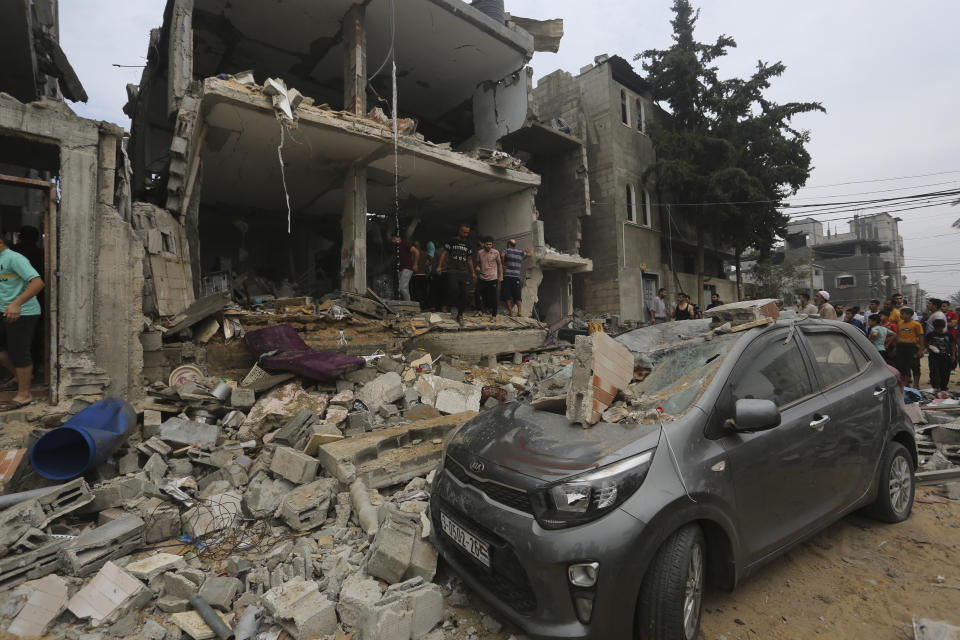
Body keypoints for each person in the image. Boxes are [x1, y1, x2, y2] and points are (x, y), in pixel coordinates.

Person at [0, 232, 44, 410]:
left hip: (24, 312)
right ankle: (19, 376)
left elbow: (38, 283)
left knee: (20, 352)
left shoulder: (15, 258)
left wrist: (17, 304)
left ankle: (24, 395)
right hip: (4, 311)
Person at [500, 239, 531, 317]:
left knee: (507, 294)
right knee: (517, 294)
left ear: (508, 244)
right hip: (516, 276)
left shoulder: (506, 250)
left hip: (507, 276)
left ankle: (510, 312)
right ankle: (519, 312)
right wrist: (527, 252)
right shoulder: (520, 252)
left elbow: (502, 255)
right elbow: (530, 254)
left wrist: (503, 264)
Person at [894, 307, 924, 387]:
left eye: (906, 314)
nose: (904, 316)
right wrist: (896, 347)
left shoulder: (916, 324)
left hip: (912, 347)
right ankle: (906, 383)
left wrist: (921, 349)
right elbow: (897, 335)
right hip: (901, 346)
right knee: (902, 366)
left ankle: (916, 384)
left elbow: (921, 336)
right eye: (902, 314)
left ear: (911, 315)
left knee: (915, 366)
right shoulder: (899, 323)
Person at [926, 318, 957, 391]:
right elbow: (927, 343)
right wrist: (930, 347)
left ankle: (943, 387)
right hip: (933, 357)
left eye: (940, 328)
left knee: (945, 372)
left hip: (946, 357)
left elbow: (953, 345)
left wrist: (953, 355)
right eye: (937, 328)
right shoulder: (931, 334)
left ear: (943, 327)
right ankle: (936, 387)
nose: (938, 330)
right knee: (934, 372)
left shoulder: (948, 335)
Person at [475, 236, 502, 316]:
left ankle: (494, 315)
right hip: (482, 277)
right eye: (487, 244)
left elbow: (500, 264)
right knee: (477, 293)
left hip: (492, 278)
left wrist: (501, 276)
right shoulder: (480, 252)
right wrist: (478, 267)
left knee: (494, 297)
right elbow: (478, 263)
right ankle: (479, 310)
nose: (489, 246)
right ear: (484, 244)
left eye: (490, 244)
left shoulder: (496, 252)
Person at [391, 234, 419, 302]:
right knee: (404, 288)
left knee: (402, 288)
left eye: (394, 239)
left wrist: (415, 264)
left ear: (398, 238)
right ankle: (407, 304)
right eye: (392, 239)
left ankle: (409, 304)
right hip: (400, 269)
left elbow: (416, 252)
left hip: (407, 268)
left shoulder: (405, 244)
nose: (392, 241)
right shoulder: (397, 247)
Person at [411, 240, 431, 306]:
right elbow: (431, 260)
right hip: (423, 274)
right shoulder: (424, 253)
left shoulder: (413, 253)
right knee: (423, 291)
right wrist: (426, 266)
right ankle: (424, 305)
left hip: (415, 275)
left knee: (416, 291)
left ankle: (418, 305)